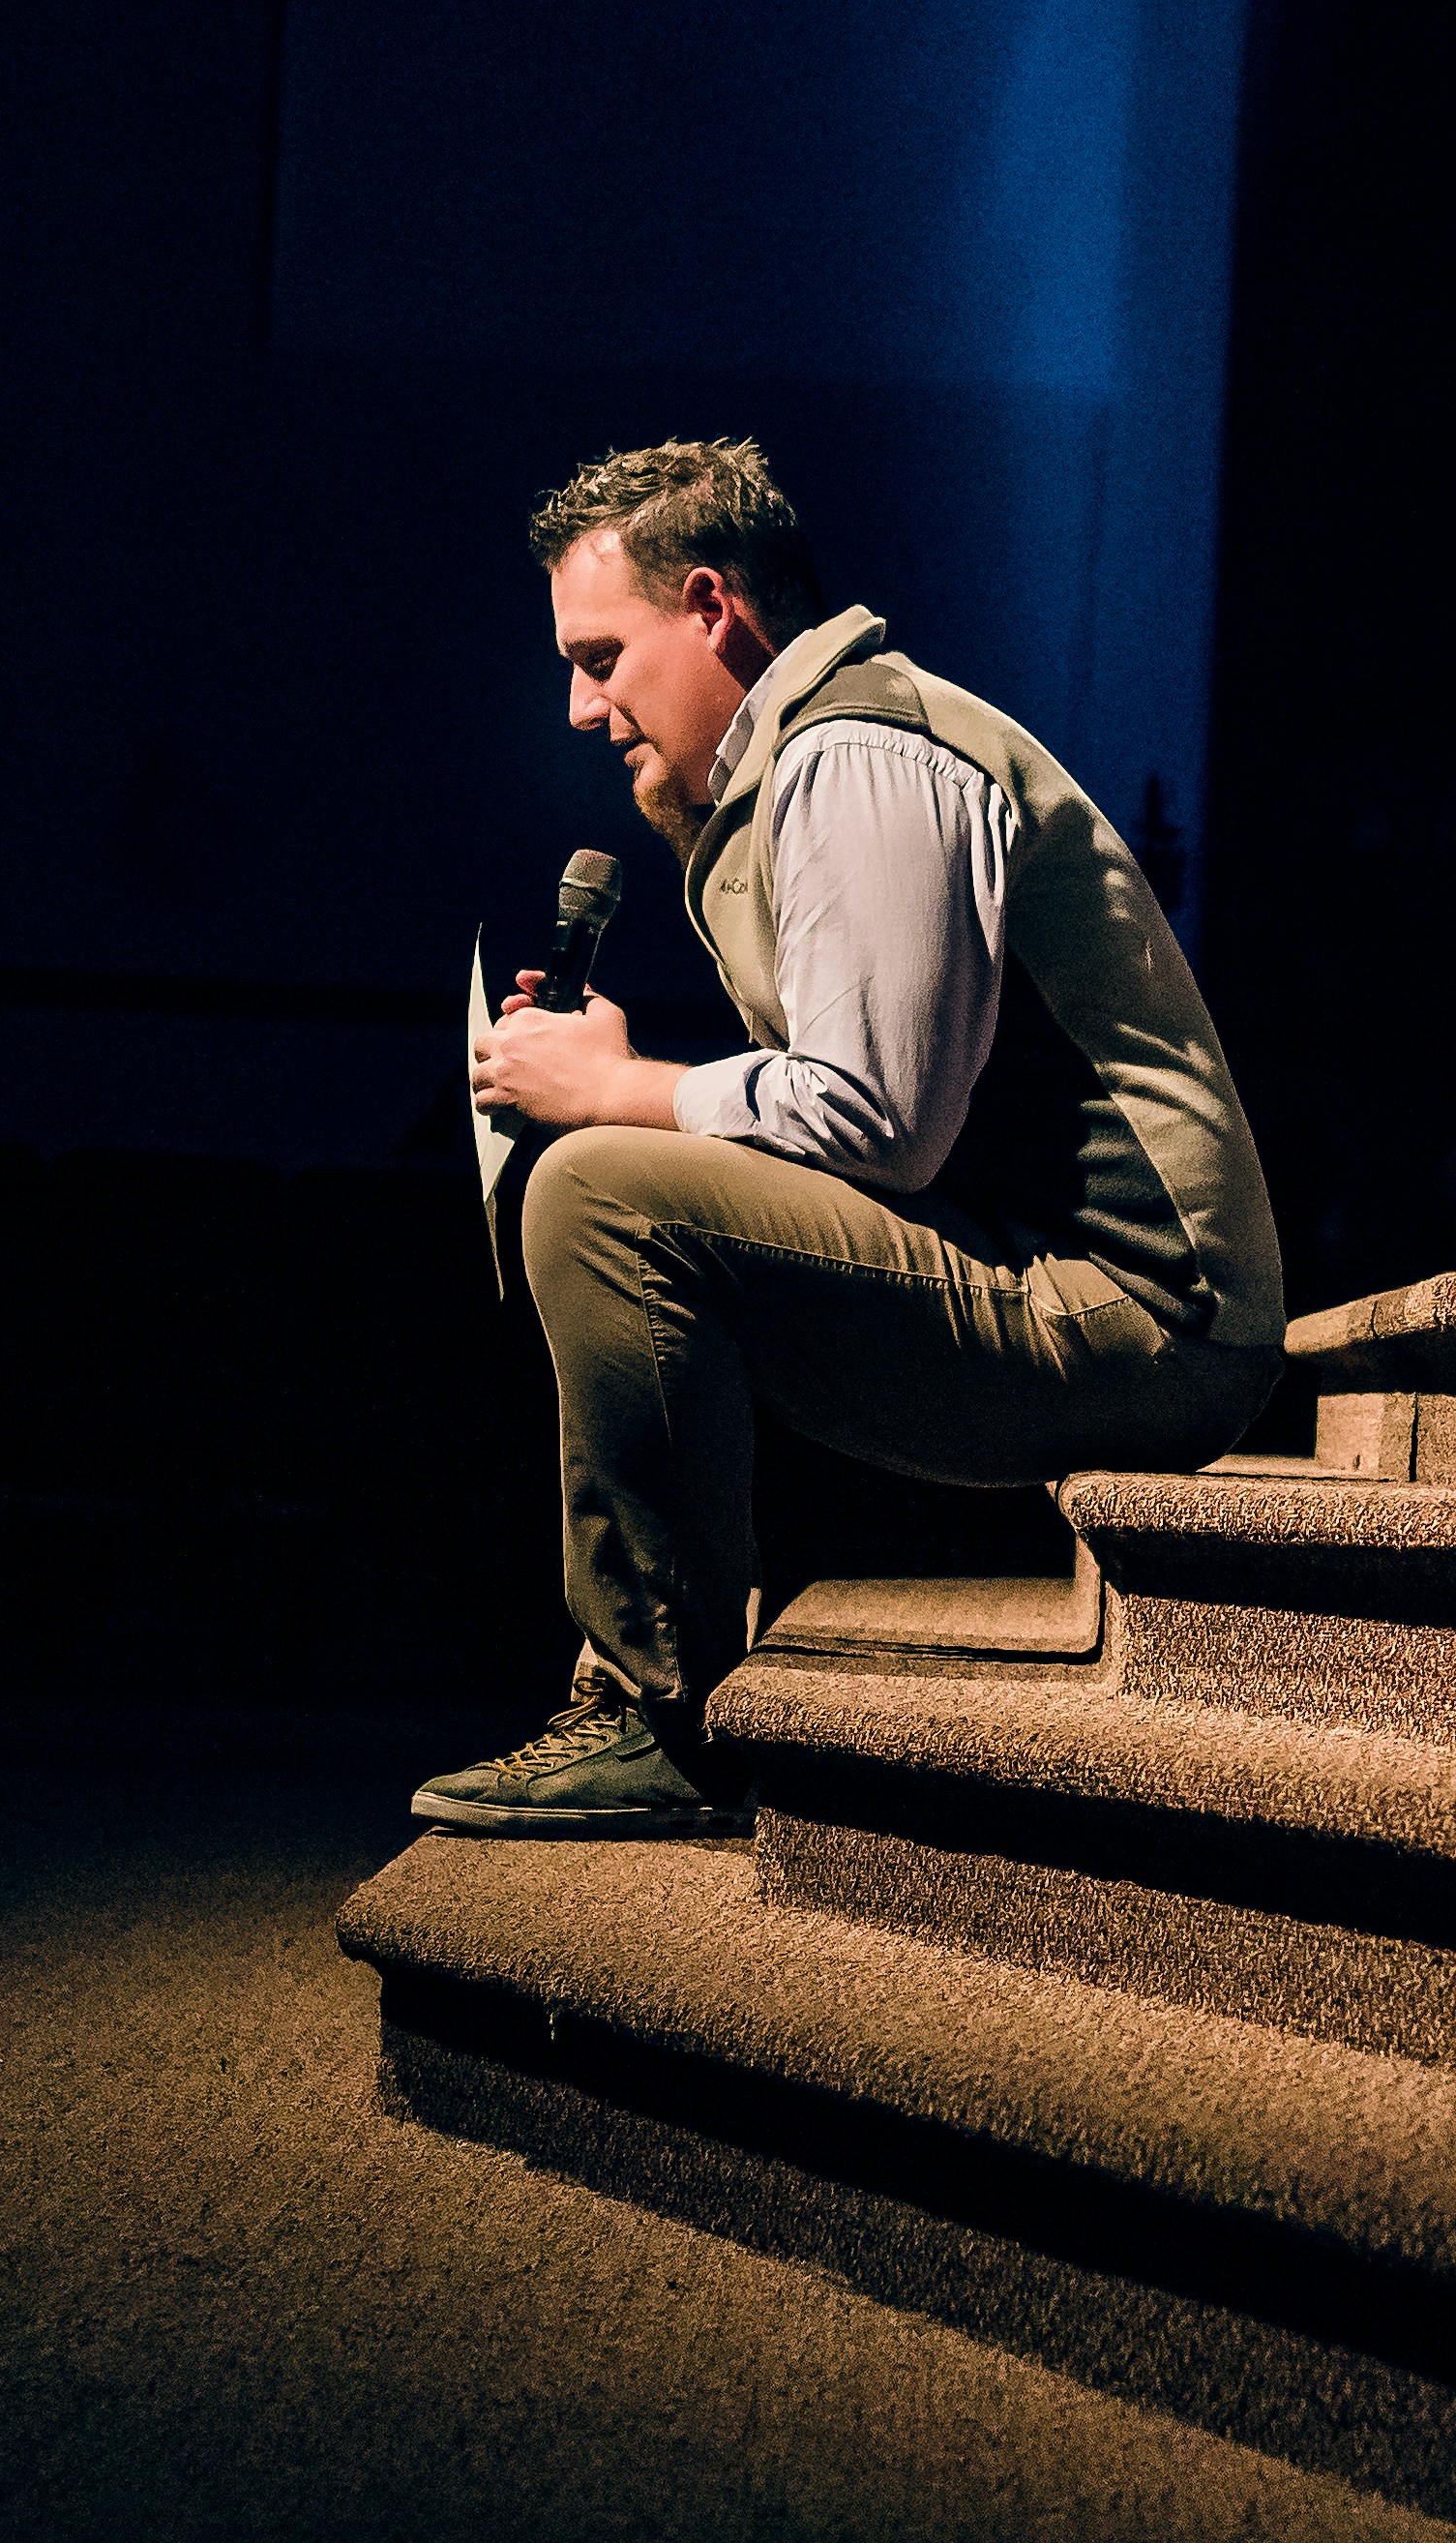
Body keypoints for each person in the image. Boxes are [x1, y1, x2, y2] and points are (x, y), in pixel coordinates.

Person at [411, 437, 1284, 1838]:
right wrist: (625, 1074)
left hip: (1143, 1320)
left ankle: (663, 1713)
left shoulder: (859, 759)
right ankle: (667, 1670)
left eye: (599, 657)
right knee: (630, 1177)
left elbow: (876, 1120)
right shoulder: (804, 764)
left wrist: (621, 1085)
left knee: (598, 1192)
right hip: (1055, 1282)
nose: (580, 706)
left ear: (710, 607)